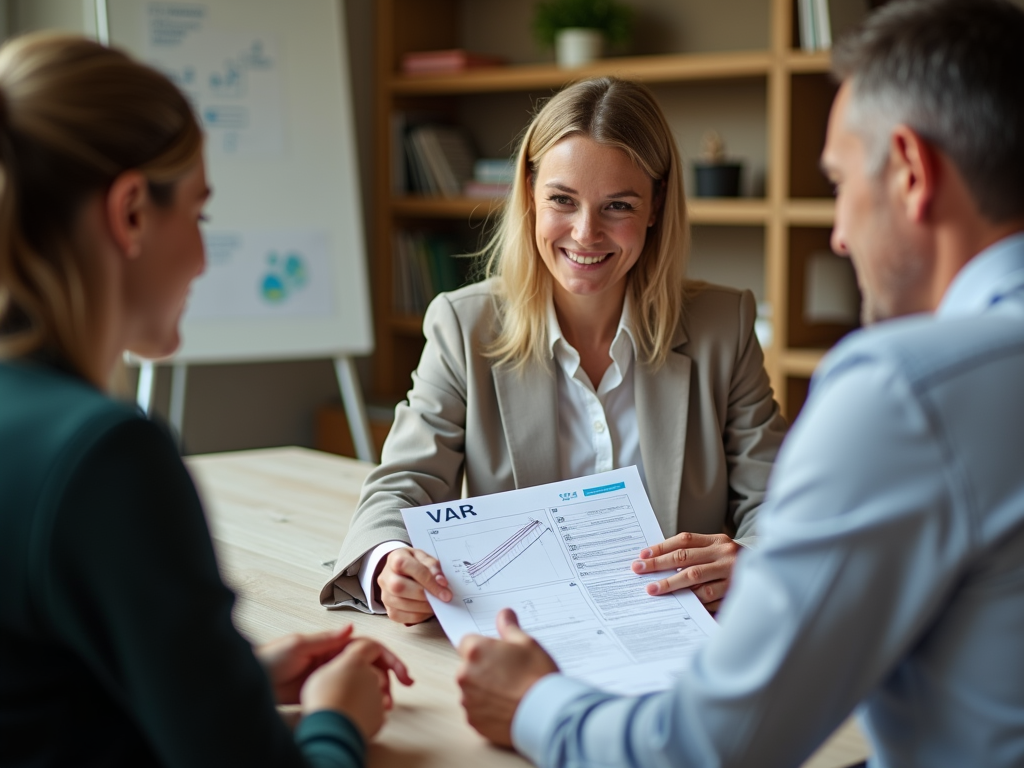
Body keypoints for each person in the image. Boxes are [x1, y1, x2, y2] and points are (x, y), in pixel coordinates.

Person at [455, 0, 1024, 766]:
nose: (839, 234)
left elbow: (710, 748)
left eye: (839, 182)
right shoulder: (465, 323)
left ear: (912, 172)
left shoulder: (904, 390)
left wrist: (532, 704)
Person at [0, 33, 411, 768]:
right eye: (199, 215)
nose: (200, 257)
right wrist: (336, 722)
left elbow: (41, 699)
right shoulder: (106, 456)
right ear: (129, 212)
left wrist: (229, 682)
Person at [321, 77, 788, 624]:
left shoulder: (723, 326)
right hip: (524, 636)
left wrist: (753, 561)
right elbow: (402, 485)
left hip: (681, 635)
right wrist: (389, 562)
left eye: (618, 205)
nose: (586, 233)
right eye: (562, 200)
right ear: (529, 194)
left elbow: (778, 501)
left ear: (657, 205)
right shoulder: (463, 325)